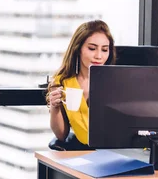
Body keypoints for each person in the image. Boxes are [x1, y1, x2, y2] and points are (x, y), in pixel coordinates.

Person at [46, 20, 116, 149]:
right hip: (86, 152)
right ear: (78, 49)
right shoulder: (62, 82)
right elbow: (61, 135)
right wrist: (55, 107)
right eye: (92, 48)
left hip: (117, 150)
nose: (99, 56)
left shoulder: (115, 82)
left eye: (105, 50)